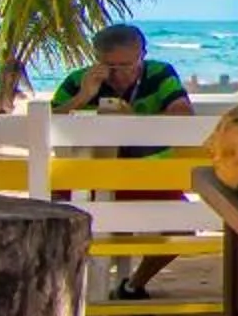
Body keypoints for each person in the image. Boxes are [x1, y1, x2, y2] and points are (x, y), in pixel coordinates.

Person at [53, 25, 192, 302]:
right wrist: (83, 96)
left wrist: (134, 123)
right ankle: (69, 294)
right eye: (110, 66)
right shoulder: (78, 80)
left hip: (147, 175)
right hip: (87, 179)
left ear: (142, 55)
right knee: (54, 222)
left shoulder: (159, 74)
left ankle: (133, 286)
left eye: (128, 64)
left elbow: (182, 116)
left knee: (184, 226)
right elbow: (47, 125)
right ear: (97, 59)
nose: (120, 73)